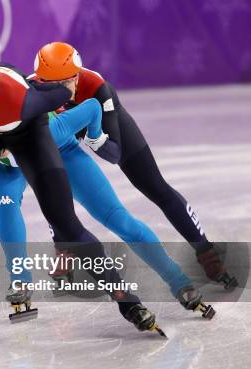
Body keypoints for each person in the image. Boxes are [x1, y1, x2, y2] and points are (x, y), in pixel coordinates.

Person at [0, 43, 165, 339]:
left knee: (67, 225)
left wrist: (90, 113)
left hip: (28, 134)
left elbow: (74, 97)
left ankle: (126, 299)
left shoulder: (25, 100)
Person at [33, 42, 237, 290]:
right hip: (62, 130)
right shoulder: (30, 89)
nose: (63, 90)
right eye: (55, 84)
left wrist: (94, 137)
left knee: (155, 187)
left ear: (77, 75)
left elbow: (115, 154)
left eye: (68, 81)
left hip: (99, 124)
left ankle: (207, 252)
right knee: (49, 182)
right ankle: (63, 247)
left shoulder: (96, 87)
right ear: (41, 81)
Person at [0, 98, 215, 321]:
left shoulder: (54, 130)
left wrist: (95, 138)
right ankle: (20, 279)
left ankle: (179, 282)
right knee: (6, 204)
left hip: (60, 150)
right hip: (6, 171)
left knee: (119, 220)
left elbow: (92, 107)